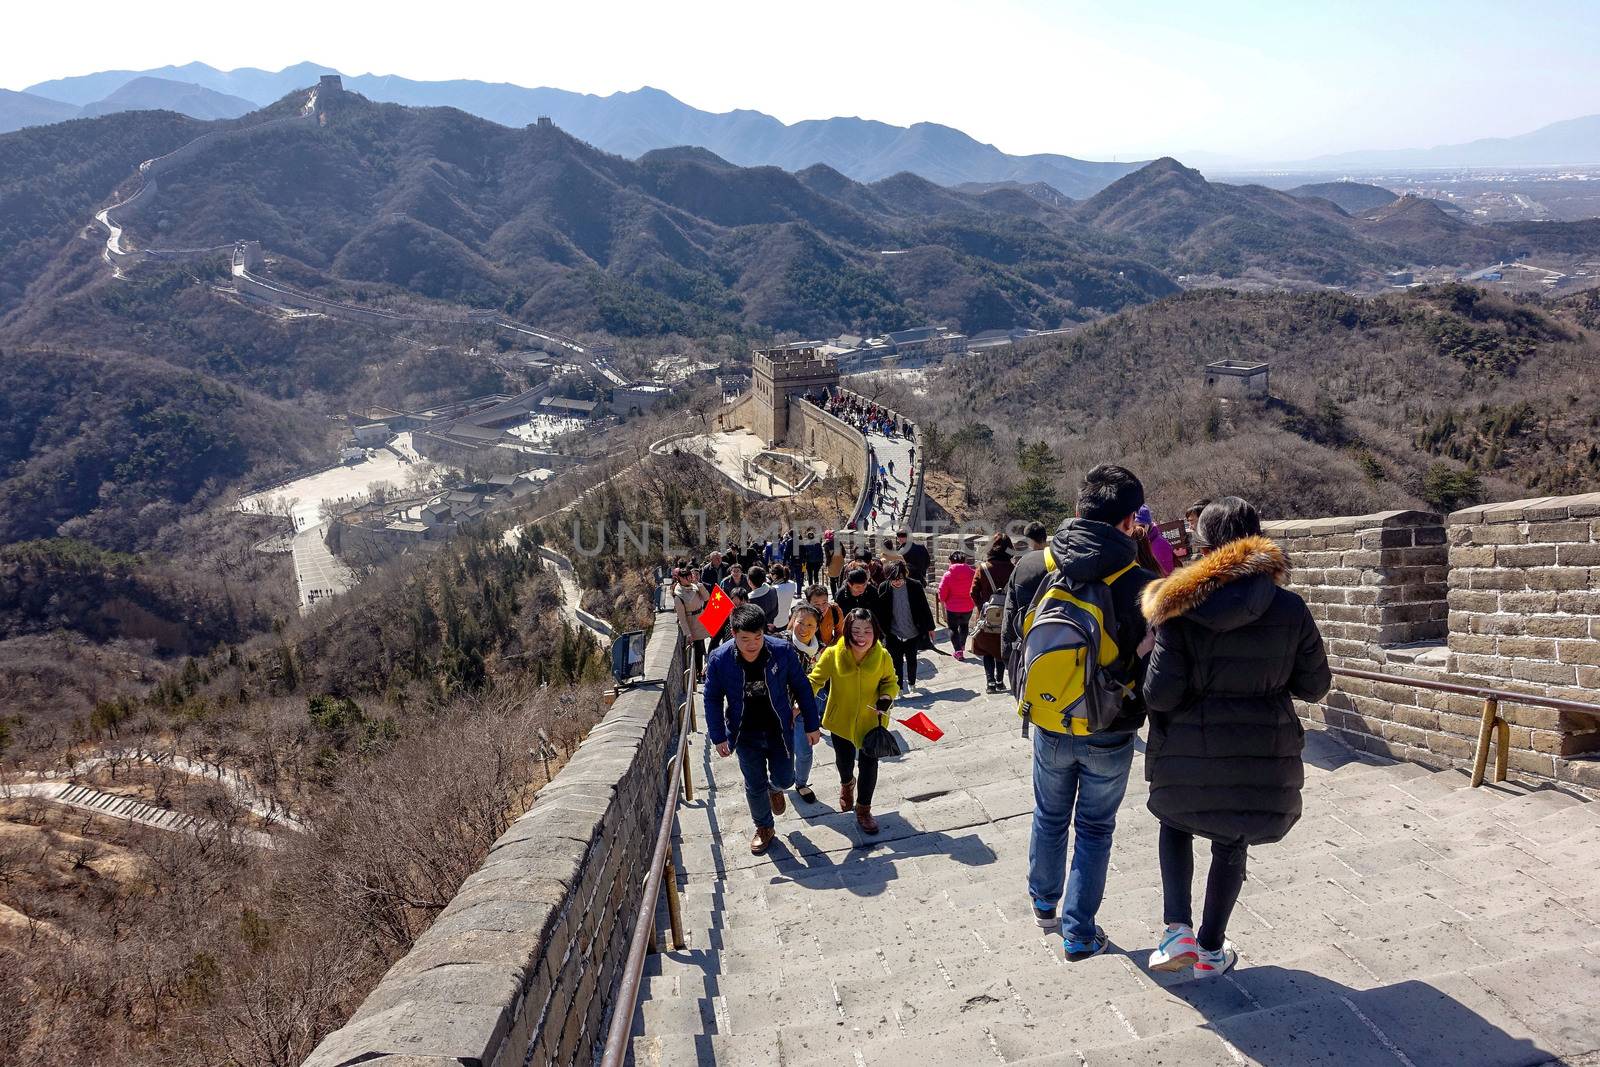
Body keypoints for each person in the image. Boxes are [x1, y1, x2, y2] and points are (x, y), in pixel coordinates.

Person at [1139, 496, 1331, 977]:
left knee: (1177, 821)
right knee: (1232, 837)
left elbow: (1159, 696)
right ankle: (1210, 948)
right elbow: (1314, 685)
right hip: (1261, 746)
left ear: (1202, 547)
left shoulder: (1177, 609)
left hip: (1187, 742)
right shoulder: (1288, 607)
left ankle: (1176, 929)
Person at [1003, 464, 1158, 961]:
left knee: (1049, 814)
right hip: (1111, 727)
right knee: (1094, 828)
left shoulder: (1033, 567)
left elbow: (1011, 643)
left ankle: (1043, 904)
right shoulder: (1143, 584)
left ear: (1077, 510)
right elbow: (1156, 671)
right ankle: (1079, 931)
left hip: (1048, 718)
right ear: (1131, 520)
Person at [704, 605, 822, 855]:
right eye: (745, 639)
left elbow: (801, 686)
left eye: (757, 637)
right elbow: (712, 698)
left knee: (785, 778)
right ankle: (764, 827)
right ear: (734, 633)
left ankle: (775, 788)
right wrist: (718, 735)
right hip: (744, 732)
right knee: (753, 783)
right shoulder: (719, 659)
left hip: (779, 729)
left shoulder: (781, 651)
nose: (752, 644)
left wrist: (812, 724)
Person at [808, 608, 899, 834]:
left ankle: (864, 809)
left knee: (869, 764)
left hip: (871, 722)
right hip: (840, 720)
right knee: (844, 761)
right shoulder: (832, 654)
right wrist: (801, 702)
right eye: (856, 630)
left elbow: (891, 681)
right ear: (847, 631)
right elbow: (815, 680)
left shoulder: (883, 656)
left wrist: (886, 698)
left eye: (867, 631)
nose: (861, 636)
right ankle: (847, 783)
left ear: (875, 633)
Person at [785, 603, 825, 803]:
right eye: (800, 622)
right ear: (793, 621)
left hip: (806, 710)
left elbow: (822, 681)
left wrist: (800, 707)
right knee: (780, 751)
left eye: (810, 624)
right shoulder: (781, 645)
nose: (804, 628)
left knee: (804, 751)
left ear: (817, 627)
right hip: (780, 709)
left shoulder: (821, 650)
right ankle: (777, 783)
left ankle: (801, 782)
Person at [877, 562, 935, 695]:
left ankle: (912, 683)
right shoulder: (883, 588)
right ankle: (899, 688)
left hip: (912, 631)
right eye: (893, 580)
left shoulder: (915, 586)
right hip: (893, 632)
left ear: (905, 575)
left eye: (900, 579)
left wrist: (930, 627)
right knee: (896, 662)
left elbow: (924, 607)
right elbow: (880, 612)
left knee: (912, 659)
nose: (897, 582)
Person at [968, 532, 1016, 694]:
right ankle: (1000, 681)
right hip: (1007, 616)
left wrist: (982, 608)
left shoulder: (983, 569)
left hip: (986, 616)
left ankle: (990, 683)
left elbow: (973, 592)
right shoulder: (1014, 569)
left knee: (986, 649)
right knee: (1000, 648)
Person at [672, 565, 710, 681]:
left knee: (702, 647)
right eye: (686, 577)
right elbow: (682, 617)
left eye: (690, 576)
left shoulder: (695, 587)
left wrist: (699, 585)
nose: (689, 579)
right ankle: (699, 674)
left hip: (701, 619)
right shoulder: (679, 595)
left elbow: (706, 597)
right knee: (697, 650)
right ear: (681, 579)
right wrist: (687, 633)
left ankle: (701, 671)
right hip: (692, 623)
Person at [937, 549, 976, 660]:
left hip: (952, 608)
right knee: (964, 625)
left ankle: (958, 651)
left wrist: (943, 600)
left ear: (951, 561)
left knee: (953, 629)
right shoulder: (972, 573)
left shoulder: (948, 575)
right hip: (968, 606)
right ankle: (962, 645)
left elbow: (942, 591)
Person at [747, 565, 779, 630]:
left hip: (756, 632)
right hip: (770, 627)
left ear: (749, 582)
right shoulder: (773, 590)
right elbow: (776, 611)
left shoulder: (749, 600)